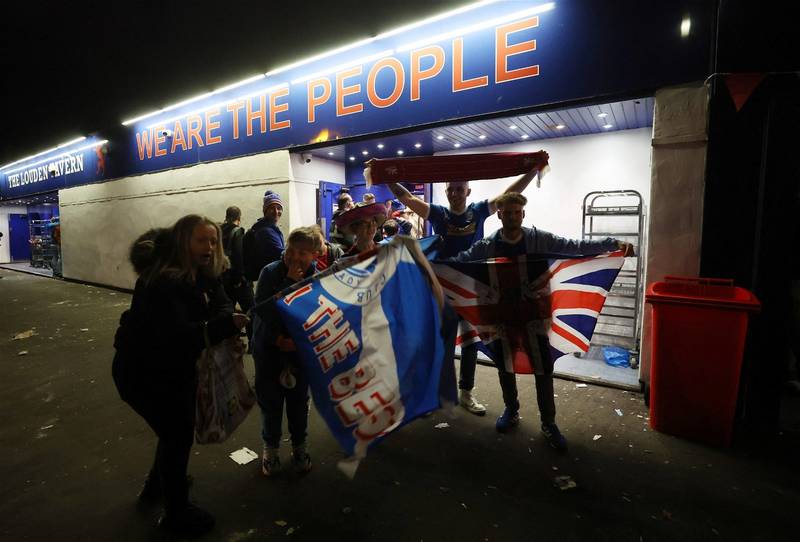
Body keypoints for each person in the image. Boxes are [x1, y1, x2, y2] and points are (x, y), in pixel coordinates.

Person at [453, 192, 634, 450]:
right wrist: (428, 264)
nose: (513, 216)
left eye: (517, 212)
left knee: (543, 368)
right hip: (502, 315)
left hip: (535, 316)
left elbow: (576, 247)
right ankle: (511, 409)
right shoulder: (489, 244)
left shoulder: (539, 239)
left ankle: (549, 423)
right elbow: (460, 263)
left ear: (523, 214)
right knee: (505, 365)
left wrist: (610, 243)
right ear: (499, 215)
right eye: (508, 212)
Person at [112, 215, 249, 536]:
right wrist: (223, 325)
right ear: (183, 242)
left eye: (213, 241)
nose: (210, 247)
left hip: (172, 370)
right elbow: (176, 337)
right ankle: (176, 512)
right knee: (176, 434)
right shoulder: (161, 281)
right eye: (201, 240)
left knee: (173, 432)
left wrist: (222, 319)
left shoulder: (204, 274)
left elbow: (223, 304)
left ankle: (157, 487)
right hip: (142, 374)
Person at [387, 160, 546, 416]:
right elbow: (406, 197)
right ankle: (438, 394)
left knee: (471, 345)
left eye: (460, 189)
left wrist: (532, 171)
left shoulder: (479, 210)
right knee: (444, 344)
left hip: (472, 289)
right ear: (447, 192)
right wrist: (383, 176)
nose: (455, 194)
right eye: (451, 189)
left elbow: (509, 194)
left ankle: (466, 393)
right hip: (443, 290)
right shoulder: (438, 213)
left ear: (468, 192)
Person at [252, 226, 322, 477]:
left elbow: (317, 317)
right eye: (292, 249)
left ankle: (299, 447)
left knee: (298, 404)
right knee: (270, 404)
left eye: (303, 252)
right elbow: (262, 312)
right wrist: (289, 282)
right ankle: (270, 450)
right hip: (269, 351)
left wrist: (301, 343)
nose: (295, 256)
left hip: (299, 355)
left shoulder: (317, 277)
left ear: (314, 254)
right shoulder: (270, 273)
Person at [220, 206, 254, 340]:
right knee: (251, 311)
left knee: (229, 313)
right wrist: (239, 279)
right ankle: (252, 343)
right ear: (239, 218)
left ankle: (231, 340)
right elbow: (239, 256)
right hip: (238, 282)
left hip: (224, 280)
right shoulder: (237, 231)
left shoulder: (219, 231)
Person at [244, 190, 285, 281]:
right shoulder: (266, 231)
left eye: (279, 208)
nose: (276, 211)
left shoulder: (267, 227)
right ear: (265, 211)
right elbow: (282, 254)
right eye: (272, 208)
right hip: (272, 278)